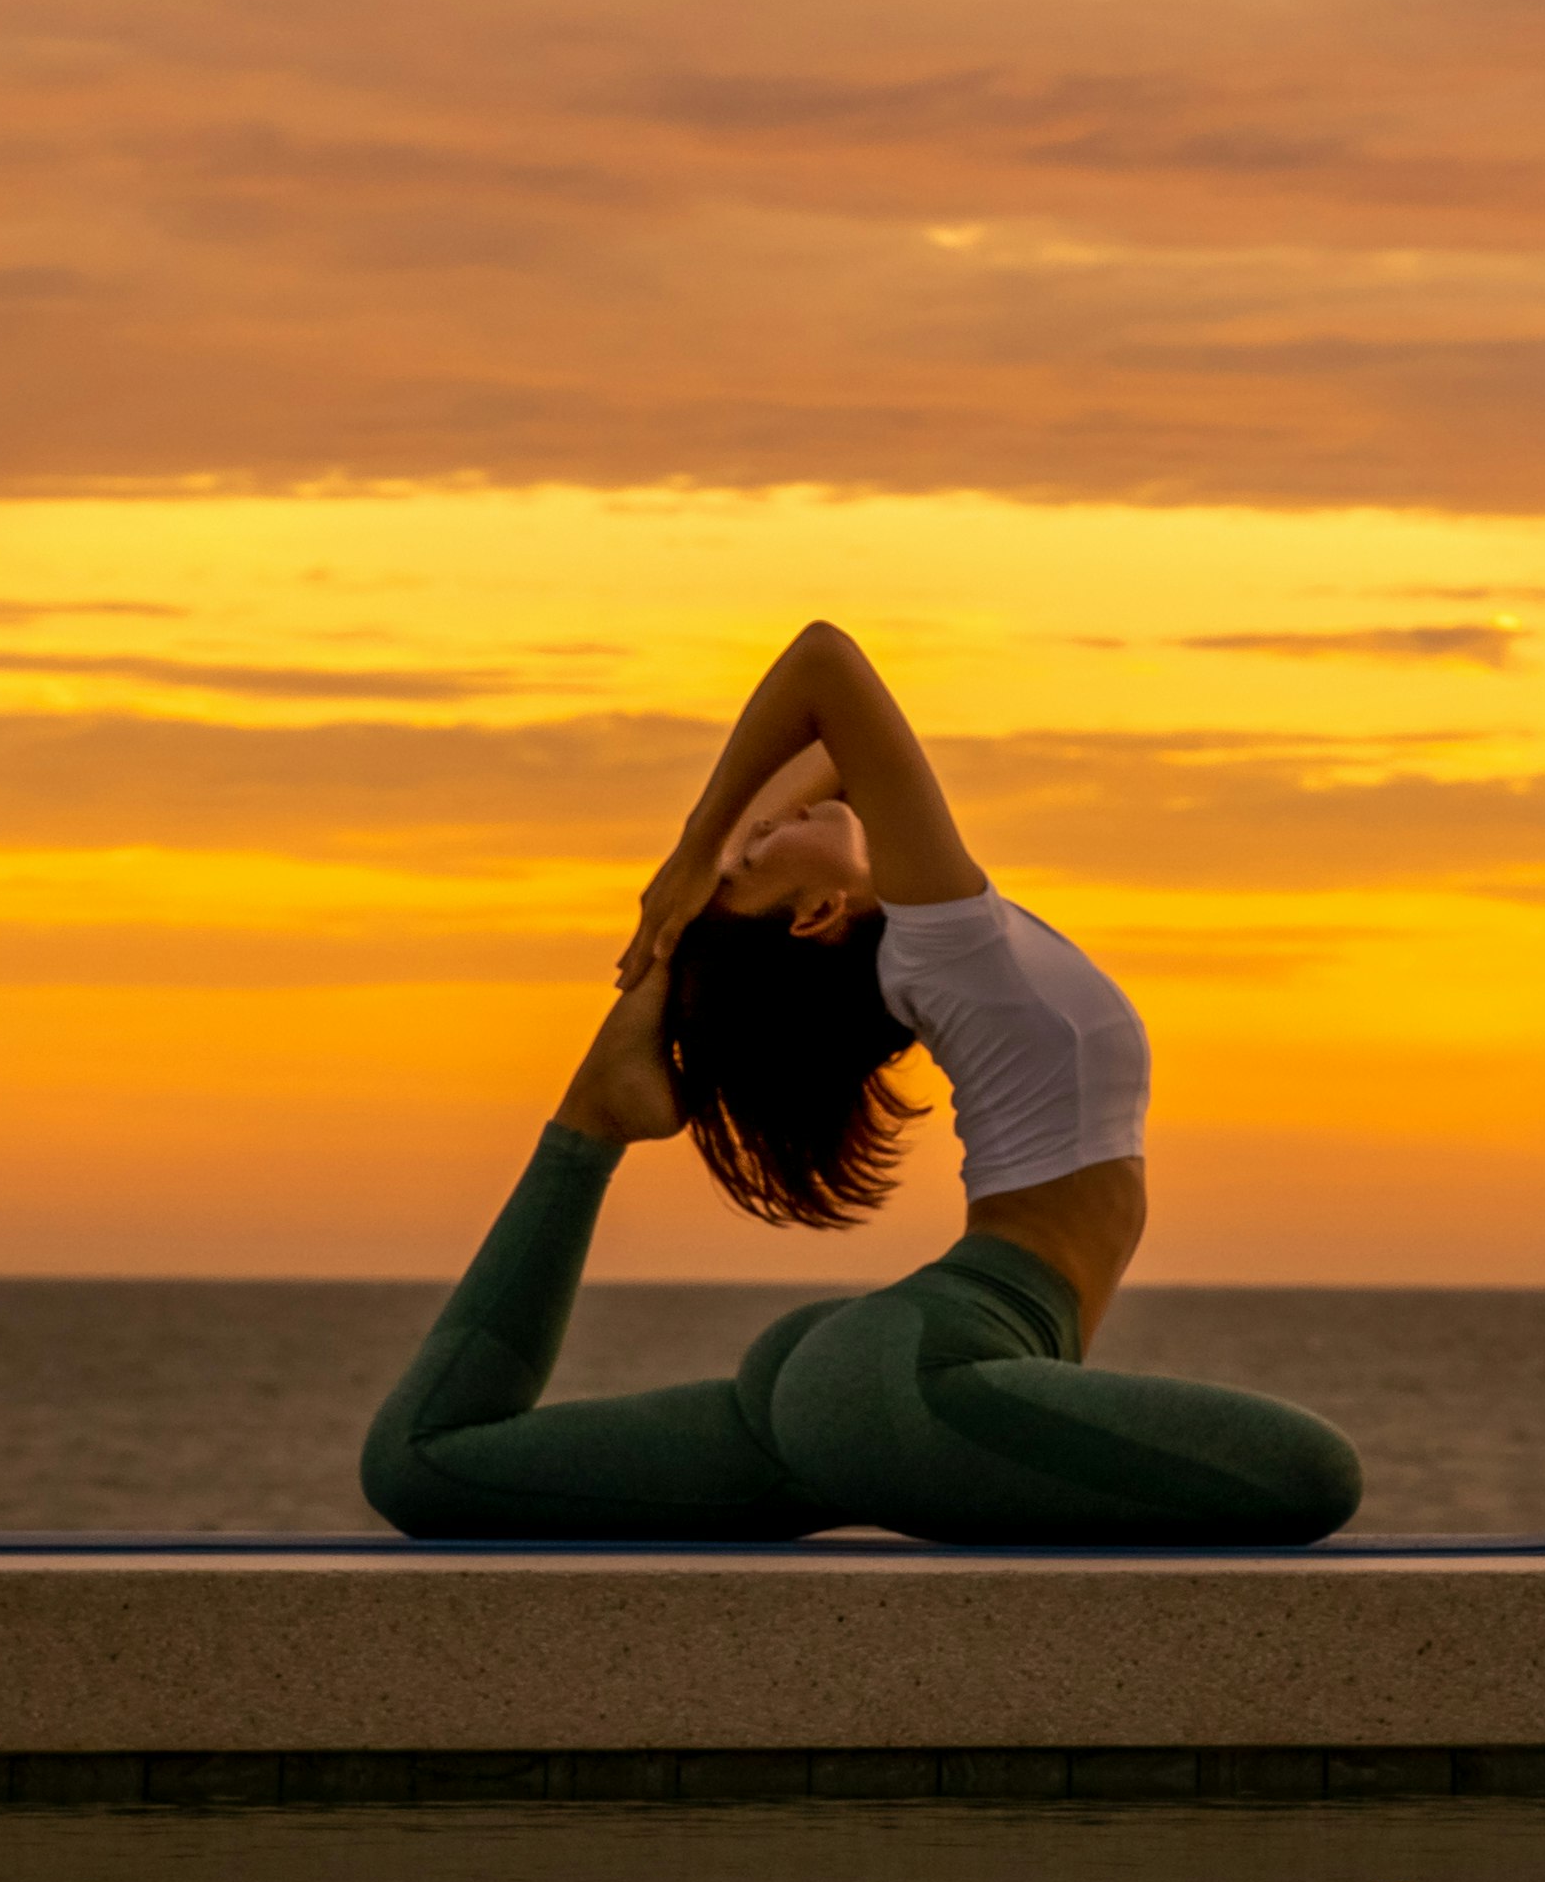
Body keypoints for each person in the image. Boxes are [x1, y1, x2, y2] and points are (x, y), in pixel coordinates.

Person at [360, 620, 1364, 1545]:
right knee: (1314, 1473)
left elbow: (822, 756)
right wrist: (696, 851)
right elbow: (825, 667)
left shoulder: (930, 946)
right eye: (758, 854)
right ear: (815, 916)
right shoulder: (945, 941)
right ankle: (593, 1120)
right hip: (908, 1372)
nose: (763, 827)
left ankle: (592, 1125)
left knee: (431, 1468)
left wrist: (710, 876)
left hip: (872, 1374)